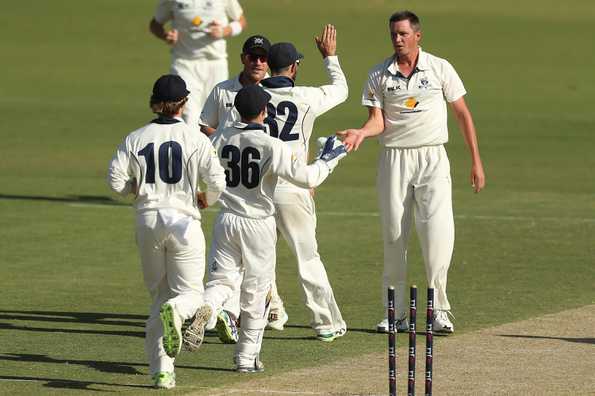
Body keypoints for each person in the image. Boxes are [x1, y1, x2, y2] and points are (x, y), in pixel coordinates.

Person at [338, 10, 486, 334]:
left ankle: (439, 311)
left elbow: (462, 113)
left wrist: (476, 160)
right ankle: (396, 314)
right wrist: (361, 133)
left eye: (403, 33)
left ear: (418, 35)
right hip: (394, 160)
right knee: (394, 236)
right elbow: (378, 121)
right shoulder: (379, 74)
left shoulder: (439, 68)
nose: (398, 39)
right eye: (393, 34)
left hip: (432, 157)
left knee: (437, 236)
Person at [182, 84, 348, 372]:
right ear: (264, 112)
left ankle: (207, 307)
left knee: (222, 281)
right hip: (258, 223)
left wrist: (203, 196)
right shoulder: (273, 145)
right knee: (256, 292)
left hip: (226, 220)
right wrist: (329, 159)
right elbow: (308, 178)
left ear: (236, 110)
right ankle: (246, 358)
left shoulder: (221, 137)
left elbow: (202, 167)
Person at [107, 74, 226, 389]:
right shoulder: (195, 137)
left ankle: (163, 372)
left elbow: (115, 180)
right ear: (184, 104)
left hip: (147, 220)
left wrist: (136, 188)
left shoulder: (135, 137)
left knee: (159, 298)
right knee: (188, 295)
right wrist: (206, 199)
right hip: (183, 221)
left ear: (154, 102)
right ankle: (177, 313)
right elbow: (217, 181)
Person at [260, 25, 348, 340]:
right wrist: (330, 57)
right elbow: (341, 89)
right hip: (294, 186)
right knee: (307, 257)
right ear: (294, 67)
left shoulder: (251, 96)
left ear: (268, 65)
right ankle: (326, 323)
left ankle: (264, 313)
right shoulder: (306, 97)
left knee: (260, 258)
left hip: (258, 189)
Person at [149, 0, 247, 131]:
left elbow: (241, 21)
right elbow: (155, 25)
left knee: (216, 116)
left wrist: (225, 31)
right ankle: (192, 150)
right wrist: (166, 35)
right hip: (184, 63)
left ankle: (213, 150)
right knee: (190, 116)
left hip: (216, 63)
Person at [199, 34, 271, 137]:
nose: (258, 63)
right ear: (242, 58)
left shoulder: (275, 91)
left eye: (263, 58)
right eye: (252, 57)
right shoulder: (221, 90)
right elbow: (206, 126)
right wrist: (227, 143)